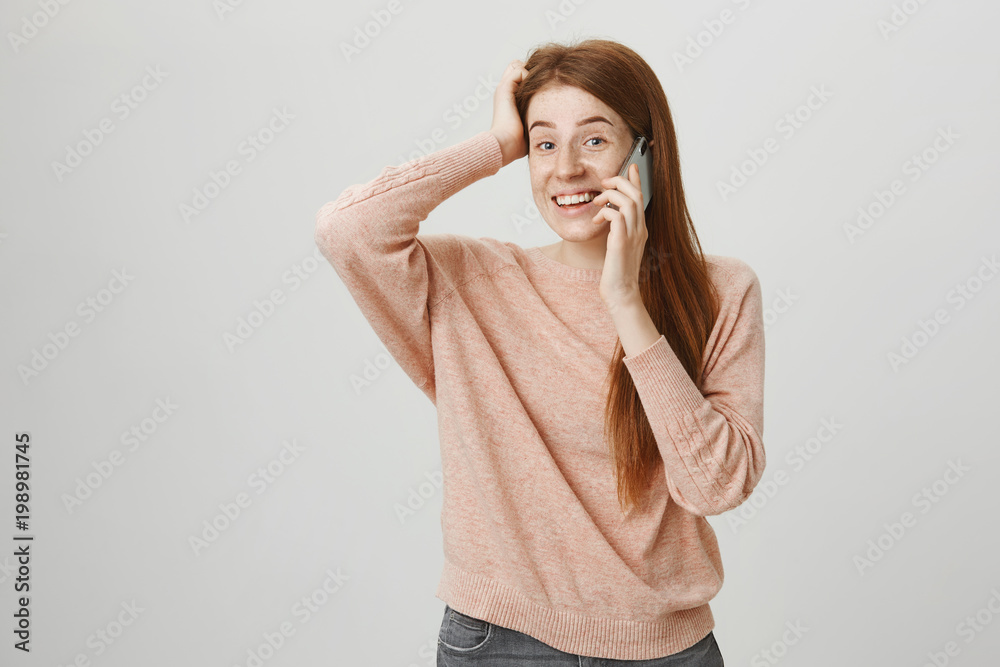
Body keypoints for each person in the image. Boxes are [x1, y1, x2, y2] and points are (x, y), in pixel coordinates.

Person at [315, 38, 765, 666]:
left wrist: (626, 303)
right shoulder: (473, 281)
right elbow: (346, 230)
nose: (567, 168)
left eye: (594, 140)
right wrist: (495, 145)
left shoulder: (721, 290)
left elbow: (715, 485)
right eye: (544, 144)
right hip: (502, 642)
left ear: (646, 153)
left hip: (668, 649)